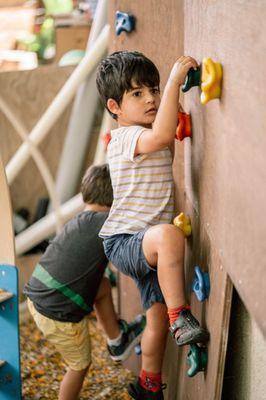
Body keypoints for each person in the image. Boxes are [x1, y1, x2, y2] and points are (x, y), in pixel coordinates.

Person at [96, 52, 209, 400]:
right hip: (126, 241)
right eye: (137, 94)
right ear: (115, 107)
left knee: (154, 318)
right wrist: (176, 82)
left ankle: (148, 386)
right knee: (168, 235)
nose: (151, 98)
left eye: (155, 89)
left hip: (149, 245)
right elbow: (162, 137)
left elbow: (164, 135)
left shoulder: (146, 131)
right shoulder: (125, 138)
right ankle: (182, 316)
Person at [24, 164, 146, 400]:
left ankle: (117, 340)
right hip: (58, 314)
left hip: (37, 298)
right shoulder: (106, 225)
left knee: (100, 286)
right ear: (117, 197)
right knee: (79, 366)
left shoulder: (79, 221)